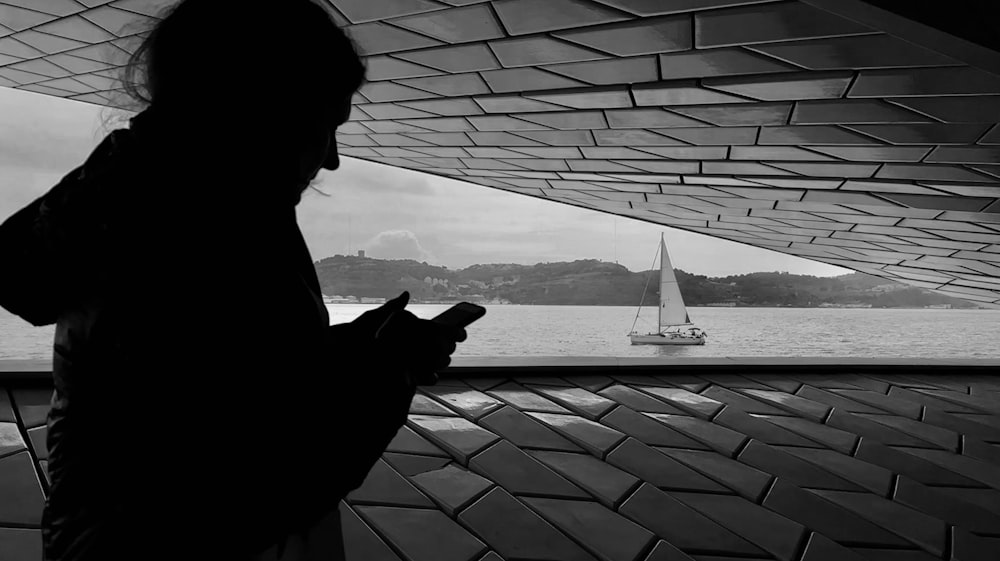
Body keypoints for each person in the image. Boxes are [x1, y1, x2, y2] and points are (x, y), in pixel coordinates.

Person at [0, 1, 466, 560]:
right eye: (326, 125)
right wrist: (394, 367)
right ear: (262, 112)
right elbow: (275, 474)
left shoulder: (144, 200)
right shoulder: (204, 233)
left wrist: (355, 343)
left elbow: (239, 378)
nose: (334, 159)